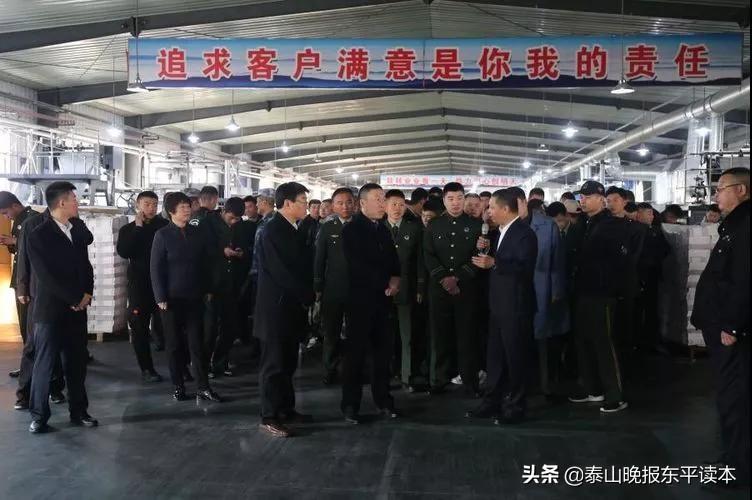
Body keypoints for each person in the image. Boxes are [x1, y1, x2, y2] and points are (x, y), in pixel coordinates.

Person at [691, 167, 750, 486]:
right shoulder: (734, 224)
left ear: (741, 190)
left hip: (732, 331)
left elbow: (744, 279)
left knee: (735, 399)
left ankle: (737, 469)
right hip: (722, 325)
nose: (716, 194)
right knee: (731, 398)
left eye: (721, 188)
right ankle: (733, 459)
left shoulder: (745, 225)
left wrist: (732, 325)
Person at [26, 181, 96, 433]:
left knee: (77, 364)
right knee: (45, 365)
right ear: (62, 202)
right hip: (51, 311)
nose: (78, 203)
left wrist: (87, 294)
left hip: (77, 310)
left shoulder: (76, 229)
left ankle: (79, 411)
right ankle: (39, 416)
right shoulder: (38, 234)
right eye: (75, 199)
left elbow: (85, 266)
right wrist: (74, 298)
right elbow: (46, 276)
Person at [568, 181, 640, 414]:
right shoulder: (584, 223)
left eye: (588, 197)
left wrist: (615, 289)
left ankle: (615, 395)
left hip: (603, 293)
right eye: (582, 197)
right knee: (584, 342)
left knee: (604, 343)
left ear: (601, 199)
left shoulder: (613, 225)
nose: (583, 201)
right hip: (583, 291)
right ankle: (593, 388)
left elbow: (620, 262)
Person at [467, 189, 537, 424]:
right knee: (495, 357)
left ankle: (515, 406)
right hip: (498, 305)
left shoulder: (525, 234)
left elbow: (524, 268)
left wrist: (495, 263)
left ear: (506, 209)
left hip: (516, 306)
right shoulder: (500, 232)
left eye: (492, 207)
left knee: (515, 358)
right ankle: (492, 402)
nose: (489, 212)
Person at [254, 182, 314, 437]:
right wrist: (306, 294)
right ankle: (269, 415)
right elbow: (281, 271)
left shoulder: (292, 227)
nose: (306, 206)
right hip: (275, 308)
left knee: (288, 362)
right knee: (274, 365)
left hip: (290, 307)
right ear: (288, 203)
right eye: (302, 201)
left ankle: (286, 409)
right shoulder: (272, 230)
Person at [151, 192, 220, 403]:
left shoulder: (197, 233)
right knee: (174, 345)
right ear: (171, 211)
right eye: (182, 207)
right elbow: (156, 268)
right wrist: (160, 296)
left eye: (188, 206)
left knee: (197, 343)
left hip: (194, 297)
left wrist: (208, 288)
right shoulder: (163, 235)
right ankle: (178, 386)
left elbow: (206, 263)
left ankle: (203, 387)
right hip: (171, 300)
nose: (187, 210)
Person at [341, 183, 401, 423]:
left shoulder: (383, 229)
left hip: (383, 301)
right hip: (360, 302)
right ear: (363, 203)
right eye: (378, 199)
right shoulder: (351, 230)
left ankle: (383, 400)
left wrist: (395, 279)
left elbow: (393, 260)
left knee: (383, 355)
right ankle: (350, 405)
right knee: (355, 356)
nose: (382, 203)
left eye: (383, 198)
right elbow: (357, 266)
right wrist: (385, 282)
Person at [423, 182, 483, 396]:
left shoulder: (476, 225)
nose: (455, 203)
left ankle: (470, 382)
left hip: (465, 289)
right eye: (451, 199)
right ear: (444, 200)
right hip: (439, 290)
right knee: (440, 336)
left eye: (459, 198)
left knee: (467, 337)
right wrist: (444, 278)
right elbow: (428, 255)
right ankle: (439, 379)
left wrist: (457, 278)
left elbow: (478, 257)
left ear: (464, 199)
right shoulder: (434, 225)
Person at [515, 190, 568, 400]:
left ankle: (545, 384)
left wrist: (556, 290)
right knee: (518, 339)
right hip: (515, 291)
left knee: (542, 339)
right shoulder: (506, 224)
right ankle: (520, 384)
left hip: (541, 288)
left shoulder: (547, 225)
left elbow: (558, 260)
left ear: (524, 202)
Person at [116, 191, 169, 382]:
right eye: (147, 204)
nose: (151, 208)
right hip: (140, 284)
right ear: (138, 205)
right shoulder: (128, 229)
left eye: (155, 204)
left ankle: (180, 367)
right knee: (139, 327)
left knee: (168, 325)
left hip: (163, 283)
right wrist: (138, 229)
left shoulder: (165, 226)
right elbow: (124, 252)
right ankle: (147, 369)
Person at [207, 197, 254, 378]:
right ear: (223, 211)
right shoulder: (208, 224)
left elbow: (247, 247)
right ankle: (205, 364)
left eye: (237, 219)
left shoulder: (240, 226)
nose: (234, 222)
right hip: (212, 286)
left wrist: (241, 252)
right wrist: (222, 251)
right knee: (209, 329)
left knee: (230, 327)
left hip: (232, 285)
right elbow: (201, 250)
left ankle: (221, 361)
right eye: (231, 218)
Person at [383, 189, 425, 392]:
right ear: (385, 206)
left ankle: (407, 375)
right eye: (393, 204)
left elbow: (420, 261)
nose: (397, 208)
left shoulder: (414, 229)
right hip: (382, 291)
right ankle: (386, 373)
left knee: (407, 335)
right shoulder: (377, 228)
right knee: (384, 335)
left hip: (407, 289)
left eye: (401, 205)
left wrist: (420, 287)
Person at [314, 187, 355, 385]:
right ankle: (330, 369)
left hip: (358, 289)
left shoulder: (362, 226)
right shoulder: (327, 228)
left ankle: (353, 369)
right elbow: (319, 259)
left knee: (356, 333)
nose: (345, 206)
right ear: (333, 205)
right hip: (333, 289)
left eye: (348, 202)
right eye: (340, 203)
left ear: (355, 203)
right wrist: (318, 286)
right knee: (331, 332)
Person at [0, 191, 40, 377]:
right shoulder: (19, 220)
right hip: (20, 280)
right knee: (24, 326)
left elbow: (34, 247)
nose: (6, 217)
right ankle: (28, 364)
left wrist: (14, 241)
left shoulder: (33, 219)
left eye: (6, 212)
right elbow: (19, 251)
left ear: (15, 205)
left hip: (30, 281)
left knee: (31, 326)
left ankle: (35, 366)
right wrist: (10, 243)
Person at [635, 202, 670, 352]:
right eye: (648, 213)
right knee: (636, 310)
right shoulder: (634, 230)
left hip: (652, 276)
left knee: (651, 309)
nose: (652, 216)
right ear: (639, 214)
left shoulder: (656, 231)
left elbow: (666, 249)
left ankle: (650, 341)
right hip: (637, 277)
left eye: (652, 213)